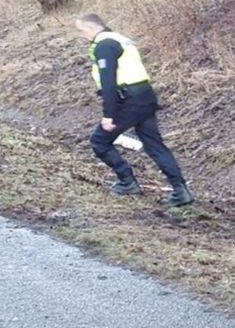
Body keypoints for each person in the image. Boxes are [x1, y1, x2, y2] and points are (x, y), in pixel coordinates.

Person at [75, 13, 194, 207]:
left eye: (81, 31)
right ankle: (181, 190)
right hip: (145, 96)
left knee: (99, 141)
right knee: (154, 144)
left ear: (90, 28)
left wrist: (109, 115)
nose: (82, 35)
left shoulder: (104, 45)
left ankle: (127, 182)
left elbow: (108, 83)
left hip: (128, 101)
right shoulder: (119, 39)